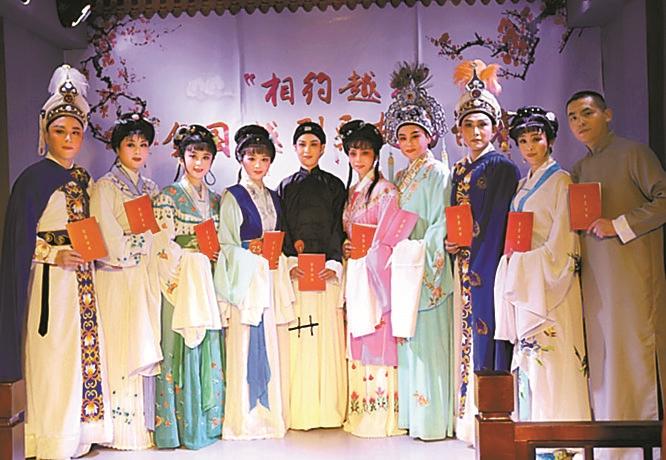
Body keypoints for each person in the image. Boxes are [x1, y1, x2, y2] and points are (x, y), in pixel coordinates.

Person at [0, 64, 112, 458]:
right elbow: (18, 240)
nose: (68, 139)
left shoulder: (83, 179)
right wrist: (53, 254)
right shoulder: (32, 179)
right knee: (53, 358)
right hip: (51, 284)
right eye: (60, 131)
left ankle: (80, 434)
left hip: (84, 281)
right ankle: (51, 437)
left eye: (75, 132)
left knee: (83, 355)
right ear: (45, 132)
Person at [567, 90, 666, 460]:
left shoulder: (634, 153)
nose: (580, 122)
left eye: (587, 113)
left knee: (633, 355)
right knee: (604, 361)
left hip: (631, 276)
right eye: (573, 117)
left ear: (607, 114)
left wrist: (619, 224)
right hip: (596, 281)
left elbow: (664, 198)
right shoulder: (578, 169)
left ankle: (640, 449)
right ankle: (611, 448)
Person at [493, 106, 591, 422]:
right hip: (527, 279)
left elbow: (565, 242)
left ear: (549, 140)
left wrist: (524, 264)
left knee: (555, 357)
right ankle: (534, 431)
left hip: (551, 283)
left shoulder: (562, 181)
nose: (530, 147)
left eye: (536, 139)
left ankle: (563, 436)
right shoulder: (523, 184)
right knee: (531, 362)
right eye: (522, 141)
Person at [447, 60, 520, 444]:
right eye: (468, 125)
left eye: (482, 125)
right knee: (467, 337)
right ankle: (468, 417)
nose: (475, 132)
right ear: (459, 131)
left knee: (490, 334)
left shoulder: (501, 168)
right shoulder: (460, 169)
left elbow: (495, 227)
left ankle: (494, 419)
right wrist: (451, 244)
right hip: (463, 266)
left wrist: (478, 262)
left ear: (494, 128)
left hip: (487, 267)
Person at [382, 62, 454, 440]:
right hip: (404, 265)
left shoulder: (438, 172)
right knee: (410, 341)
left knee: (429, 343)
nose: (409, 143)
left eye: (416, 135)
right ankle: (414, 416)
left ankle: (434, 421)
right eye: (403, 137)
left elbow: (441, 221)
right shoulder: (402, 176)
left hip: (426, 266)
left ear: (429, 136)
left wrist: (421, 255)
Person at [214, 124, 294, 439]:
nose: (258, 165)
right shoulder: (232, 196)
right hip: (247, 280)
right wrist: (253, 254)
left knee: (271, 343)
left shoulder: (274, 197)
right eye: (251, 158)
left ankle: (270, 418)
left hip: (269, 277)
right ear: (241, 159)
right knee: (245, 343)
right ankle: (244, 421)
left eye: (264, 159)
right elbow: (227, 244)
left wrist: (275, 255)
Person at [90, 112, 162, 450]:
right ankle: (120, 429)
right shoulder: (105, 187)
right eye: (130, 144)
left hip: (144, 276)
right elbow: (107, 240)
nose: (137, 151)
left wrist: (153, 241)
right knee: (121, 343)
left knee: (143, 339)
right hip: (116, 278)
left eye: (143, 145)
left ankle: (145, 426)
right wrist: (143, 240)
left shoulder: (150, 188)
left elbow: (160, 233)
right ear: (117, 148)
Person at [152, 124, 225, 449]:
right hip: (181, 282)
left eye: (205, 157)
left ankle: (207, 424)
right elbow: (161, 244)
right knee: (178, 349)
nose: (199, 163)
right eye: (193, 155)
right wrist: (190, 258)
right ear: (181, 157)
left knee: (208, 347)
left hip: (205, 281)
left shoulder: (217, 200)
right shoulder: (167, 197)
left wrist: (214, 256)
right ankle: (178, 428)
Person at [277, 121, 347, 430]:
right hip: (297, 276)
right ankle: (301, 411)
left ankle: (328, 410)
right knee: (299, 342)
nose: (307, 150)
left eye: (313, 144)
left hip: (326, 276)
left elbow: (339, 226)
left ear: (323, 148)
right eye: (302, 144)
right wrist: (291, 260)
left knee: (326, 342)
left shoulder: (335, 185)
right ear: (294, 148)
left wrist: (332, 262)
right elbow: (282, 227)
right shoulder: (284, 187)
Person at [338, 119, 403, 438]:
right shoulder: (351, 193)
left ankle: (382, 417)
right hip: (357, 274)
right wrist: (346, 246)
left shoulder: (387, 190)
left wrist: (370, 252)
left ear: (376, 155)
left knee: (377, 336)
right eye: (353, 153)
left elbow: (391, 238)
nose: (358, 159)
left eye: (365, 153)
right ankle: (360, 412)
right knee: (358, 340)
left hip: (377, 278)